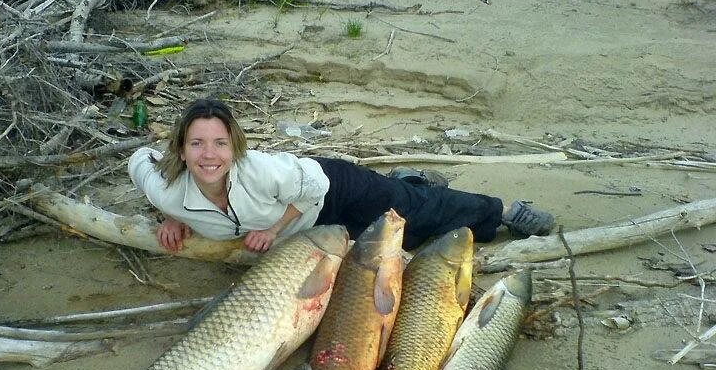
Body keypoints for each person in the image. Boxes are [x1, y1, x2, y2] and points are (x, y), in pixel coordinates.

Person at [128, 98, 554, 253]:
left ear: (234, 146)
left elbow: (313, 189)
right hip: (319, 233)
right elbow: (139, 159)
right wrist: (174, 215)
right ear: (181, 149)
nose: (209, 155)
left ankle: (501, 212)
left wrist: (274, 229)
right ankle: (411, 180)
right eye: (197, 144)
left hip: (331, 191)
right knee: (401, 249)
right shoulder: (168, 189)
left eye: (220, 143)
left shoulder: (262, 170)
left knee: (417, 215)